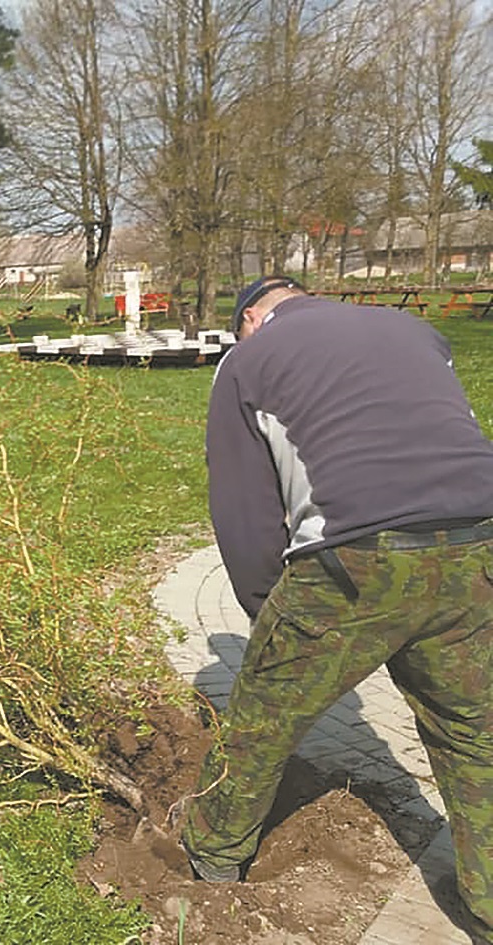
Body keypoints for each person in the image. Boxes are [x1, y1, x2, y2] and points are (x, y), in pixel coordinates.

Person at [181, 275, 493, 944]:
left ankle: (210, 859)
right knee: (475, 732)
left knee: (260, 722)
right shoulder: (415, 330)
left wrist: (272, 618)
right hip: (482, 543)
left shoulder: (248, 360)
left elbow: (244, 511)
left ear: (253, 320)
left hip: (354, 554)